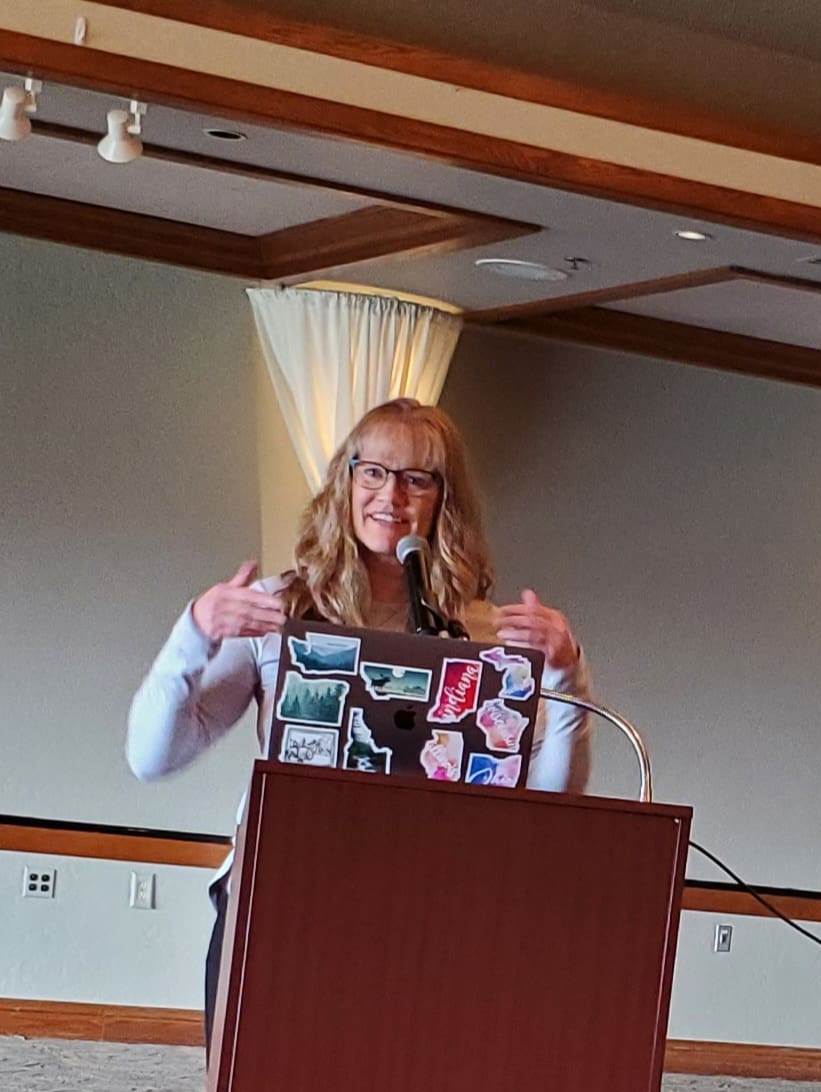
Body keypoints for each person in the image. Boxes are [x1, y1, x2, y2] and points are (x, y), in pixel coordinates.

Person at [126, 398, 593, 1026]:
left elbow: (550, 800)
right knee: (259, 1090)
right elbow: (151, 758)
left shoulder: (483, 634)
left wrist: (567, 675)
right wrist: (194, 634)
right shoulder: (281, 606)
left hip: (430, 915)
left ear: (445, 499)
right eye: (372, 471)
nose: (390, 495)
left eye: (416, 478)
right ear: (345, 482)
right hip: (280, 898)